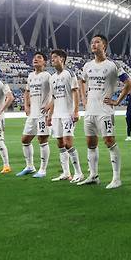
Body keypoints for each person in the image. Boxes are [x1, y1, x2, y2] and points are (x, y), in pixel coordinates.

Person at [78, 34, 131, 188]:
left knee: (109, 141)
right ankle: (93, 175)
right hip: (90, 111)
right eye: (92, 42)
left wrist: (117, 101)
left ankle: (116, 179)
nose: (94, 45)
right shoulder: (87, 65)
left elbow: (128, 83)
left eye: (97, 42)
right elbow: (81, 81)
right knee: (90, 143)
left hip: (105, 111)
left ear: (104, 46)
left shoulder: (112, 65)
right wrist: (83, 99)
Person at [48, 49, 84, 182]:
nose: (52, 59)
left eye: (55, 57)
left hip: (67, 114)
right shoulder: (52, 78)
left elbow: (75, 92)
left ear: (62, 59)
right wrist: (50, 115)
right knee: (60, 144)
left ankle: (79, 173)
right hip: (56, 114)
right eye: (51, 57)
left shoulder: (69, 74)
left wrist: (76, 111)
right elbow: (53, 98)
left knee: (68, 143)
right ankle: (66, 173)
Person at [16, 52, 53, 177]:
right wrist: (26, 106)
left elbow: (55, 91)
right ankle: (30, 166)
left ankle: (43, 169)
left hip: (43, 114)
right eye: (34, 58)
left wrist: (49, 106)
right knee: (25, 140)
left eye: (39, 58)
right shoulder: (31, 75)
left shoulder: (47, 75)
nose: (35, 59)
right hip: (33, 113)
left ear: (45, 62)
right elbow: (27, 91)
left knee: (42, 140)